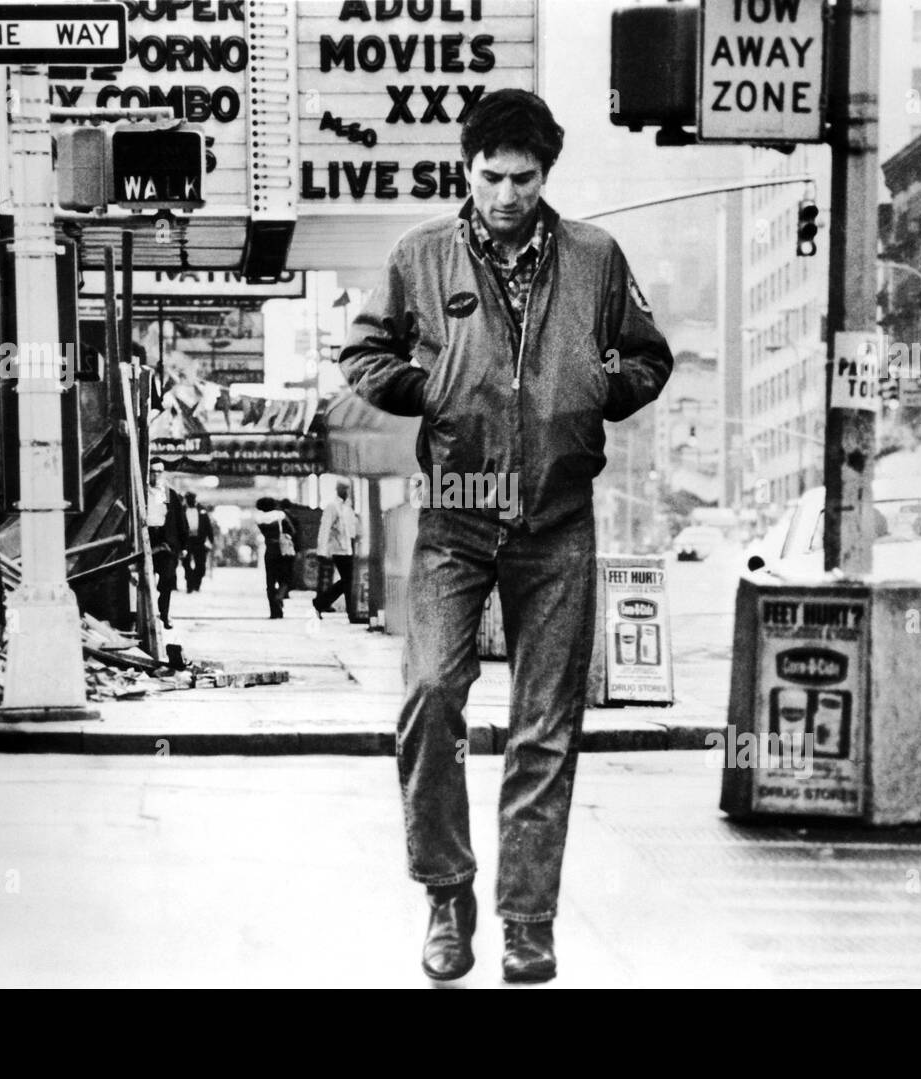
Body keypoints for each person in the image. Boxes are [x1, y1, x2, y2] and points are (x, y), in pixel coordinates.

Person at [338, 89, 672, 983]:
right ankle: (447, 893)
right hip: (454, 512)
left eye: (524, 179)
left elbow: (650, 357)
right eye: (491, 177)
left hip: (558, 519)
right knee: (431, 699)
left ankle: (527, 920)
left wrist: (600, 388)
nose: (506, 196)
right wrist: (430, 386)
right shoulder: (421, 255)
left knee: (544, 728)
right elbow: (363, 354)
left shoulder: (597, 258)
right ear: (467, 170)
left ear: (546, 175)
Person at [145, 460, 188, 630]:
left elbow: (180, 520)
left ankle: (164, 612)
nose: (156, 475)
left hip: (167, 541)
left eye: (159, 472)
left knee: (167, 579)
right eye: (153, 471)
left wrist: (183, 545)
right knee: (146, 579)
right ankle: (147, 614)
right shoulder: (142, 491)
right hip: (148, 539)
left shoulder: (168, 493)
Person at [312, 479, 359, 621]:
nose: (346, 491)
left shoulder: (348, 507)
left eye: (347, 489)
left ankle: (320, 603)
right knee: (348, 580)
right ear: (338, 490)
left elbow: (352, 529)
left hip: (349, 549)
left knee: (347, 580)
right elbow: (325, 528)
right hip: (337, 549)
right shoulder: (332, 507)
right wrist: (322, 550)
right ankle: (351, 612)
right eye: (343, 488)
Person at [255, 496, 297, 620]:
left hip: (269, 551)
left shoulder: (260, 519)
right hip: (282, 551)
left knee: (270, 581)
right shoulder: (281, 516)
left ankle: (274, 612)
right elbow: (292, 531)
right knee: (285, 578)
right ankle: (280, 596)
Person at [181, 492, 215, 593]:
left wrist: (210, 541)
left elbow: (208, 527)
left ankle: (196, 583)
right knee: (186, 564)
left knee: (201, 566)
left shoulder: (202, 510)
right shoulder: (182, 510)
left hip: (199, 541)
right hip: (186, 541)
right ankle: (189, 585)